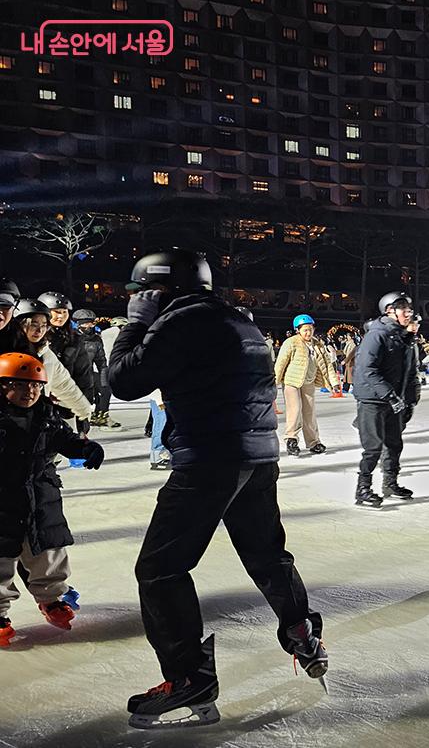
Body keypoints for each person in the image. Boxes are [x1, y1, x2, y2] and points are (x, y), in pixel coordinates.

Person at [108, 249, 326, 728]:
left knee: (161, 569)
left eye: (146, 292)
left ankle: (188, 678)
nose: (141, 300)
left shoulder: (180, 321)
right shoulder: (239, 320)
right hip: (257, 455)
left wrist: (136, 324)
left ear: (163, 288)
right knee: (266, 553)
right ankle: (300, 627)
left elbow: (123, 380)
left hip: (209, 457)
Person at [0, 352, 103, 647]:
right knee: (1, 560)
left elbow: (66, 441)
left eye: (34, 386)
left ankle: (53, 599)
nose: (28, 392)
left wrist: (85, 448)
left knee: (48, 553)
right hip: (2, 502)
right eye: (18, 385)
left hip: (42, 499)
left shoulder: (48, 417)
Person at [352, 292, 420, 506]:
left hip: (394, 400)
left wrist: (409, 400)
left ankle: (390, 483)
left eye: (409, 309)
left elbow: (408, 372)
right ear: (389, 310)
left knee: (394, 443)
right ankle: (363, 488)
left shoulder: (403, 337)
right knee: (373, 447)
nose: (408, 313)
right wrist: (389, 395)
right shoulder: (377, 334)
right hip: (373, 399)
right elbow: (367, 369)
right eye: (403, 309)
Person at [7, 300, 95, 427]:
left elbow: (64, 384)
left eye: (44, 325)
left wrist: (83, 410)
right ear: (19, 323)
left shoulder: (45, 353)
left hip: (35, 418)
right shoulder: (7, 350)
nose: (39, 330)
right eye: (34, 324)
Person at [274, 314, 333, 456]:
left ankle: (314, 442)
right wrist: (274, 381)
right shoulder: (291, 342)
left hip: (308, 381)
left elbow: (327, 364)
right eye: (305, 330)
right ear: (298, 330)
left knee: (309, 412)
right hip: (291, 381)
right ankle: (291, 440)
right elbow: (281, 362)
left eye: (310, 329)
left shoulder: (317, 344)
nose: (308, 332)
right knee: (295, 410)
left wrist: (335, 382)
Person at [74, 309, 116, 430]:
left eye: (91, 323)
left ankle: (100, 416)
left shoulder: (96, 340)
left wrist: (104, 383)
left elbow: (101, 363)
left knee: (105, 390)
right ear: (78, 324)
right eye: (85, 323)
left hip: (88, 373)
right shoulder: (72, 338)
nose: (89, 326)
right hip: (71, 375)